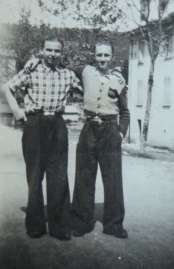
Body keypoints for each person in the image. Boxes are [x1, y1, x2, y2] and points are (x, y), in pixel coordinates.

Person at [25, 37, 130, 239]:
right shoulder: (85, 72)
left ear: (112, 57)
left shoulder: (119, 80)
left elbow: (125, 111)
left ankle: (114, 224)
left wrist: (120, 132)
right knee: (84, 178)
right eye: (99, 54)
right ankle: (82, 222)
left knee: (113, 180)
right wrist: (34, 59)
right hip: (88, 130)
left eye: (106, 55)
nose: (102, 58)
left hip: (110, 131)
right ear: (94, 56)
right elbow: (58, 62)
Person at [3, 37, 82, 241]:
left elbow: (88, 90)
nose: (53, 54)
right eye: (49, 50)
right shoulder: (31, 71)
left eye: (57, 51)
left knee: (58, 177)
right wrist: (16, 110)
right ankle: (35, 225)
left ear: (61, 53)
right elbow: (7, 88)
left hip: (57, 125)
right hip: (35, 124)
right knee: (35, 175)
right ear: (42, 51)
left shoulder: (68, 75)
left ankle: (59, 226)